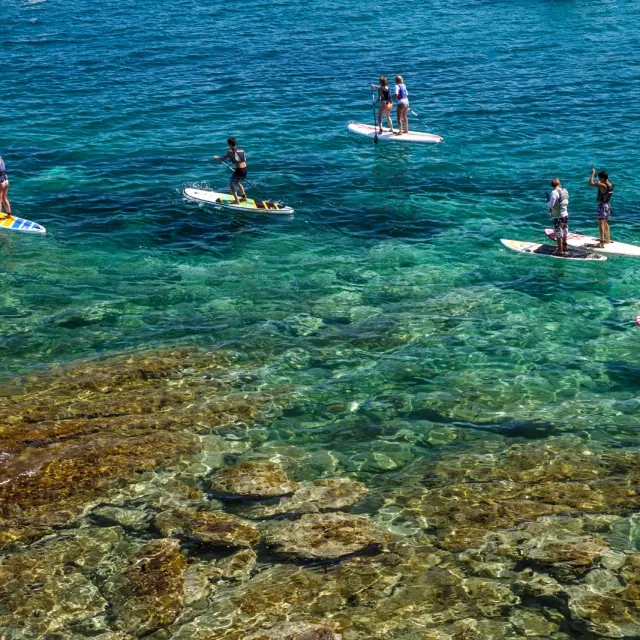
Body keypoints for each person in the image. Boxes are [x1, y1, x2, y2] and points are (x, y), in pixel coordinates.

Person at [214, 138, 247, 204]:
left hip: (239, 170)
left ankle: (237, 200)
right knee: (237, 182)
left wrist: (217, 158)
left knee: (230, 184)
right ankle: (244, 197)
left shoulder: (230, 151)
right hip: (245, 169)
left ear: (229, 144)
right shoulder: (241, 150)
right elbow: (240, 160)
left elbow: (223, 159)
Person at [589, 168, 613, 247]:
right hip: (608, 205)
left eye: (599, 178)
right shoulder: (610, 184)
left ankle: (601, 243)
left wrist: (593, 173)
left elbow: (591, 183)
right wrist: (599, 182)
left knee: (600, 224)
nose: (598, 179)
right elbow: (600, 185)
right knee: (605, 222)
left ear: (603, 178)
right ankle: (607, 239)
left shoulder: (603, 185)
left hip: (602, 206)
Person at [547, 178, 569, 256]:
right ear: (559, 184)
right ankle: (565, 247)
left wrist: (548, 203)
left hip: (558, 216)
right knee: (565, 231)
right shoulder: (564, 191)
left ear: (552, 185)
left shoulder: (554, 192)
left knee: (558, 232)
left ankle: (560, 250)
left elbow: (551, 204)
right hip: (565, 214)